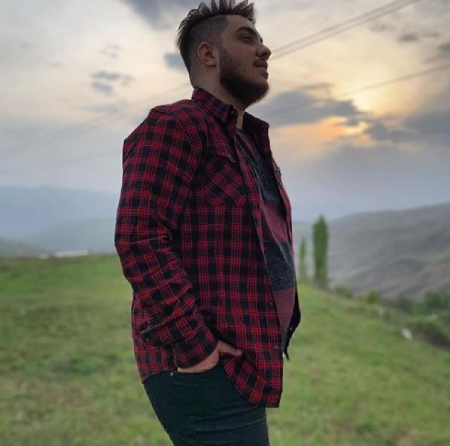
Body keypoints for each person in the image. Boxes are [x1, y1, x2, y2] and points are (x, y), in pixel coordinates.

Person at [114, 1, 301, 444]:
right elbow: (139, 237)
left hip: (242, 360)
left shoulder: (247, 141)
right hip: (202, 369)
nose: (264, 50)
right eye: (247, 38)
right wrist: (196, 347)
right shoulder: (177, 125)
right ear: (208, 54)